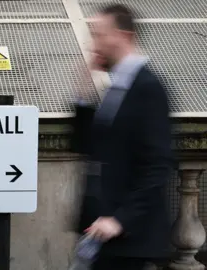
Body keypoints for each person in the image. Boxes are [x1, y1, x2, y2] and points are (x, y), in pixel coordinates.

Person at [71, 3, 173, 270]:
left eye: (100, 34)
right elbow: (85, 145)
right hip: (100, 232)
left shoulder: (148, 87)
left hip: (129, 237)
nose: (95, 43)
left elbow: (158, 165)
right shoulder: (116, 87)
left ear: (123, 36)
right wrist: (84, 84)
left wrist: (120, 220)